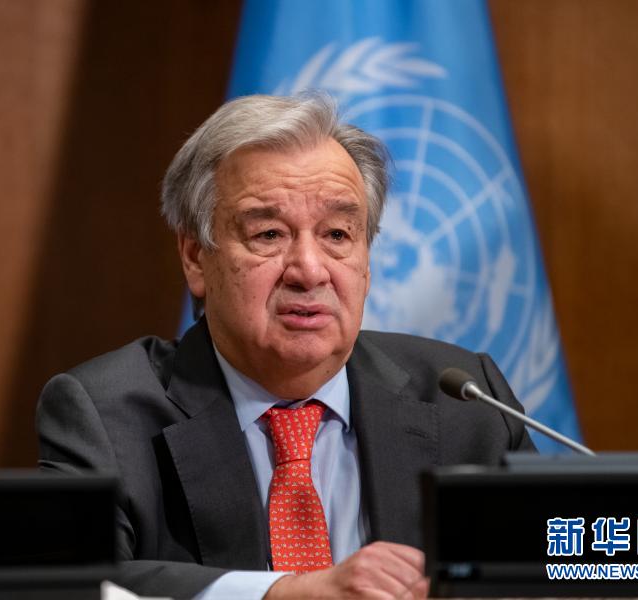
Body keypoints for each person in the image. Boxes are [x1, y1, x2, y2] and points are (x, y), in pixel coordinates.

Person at [37, 94, 535, 599]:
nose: (309, 271)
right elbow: (67, 582)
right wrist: (285, 593)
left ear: (366, 260)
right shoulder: (106, 413)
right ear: (195, 257)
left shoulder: (466, 401)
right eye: (269, 234)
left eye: (337, 234)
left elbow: (562, 563)